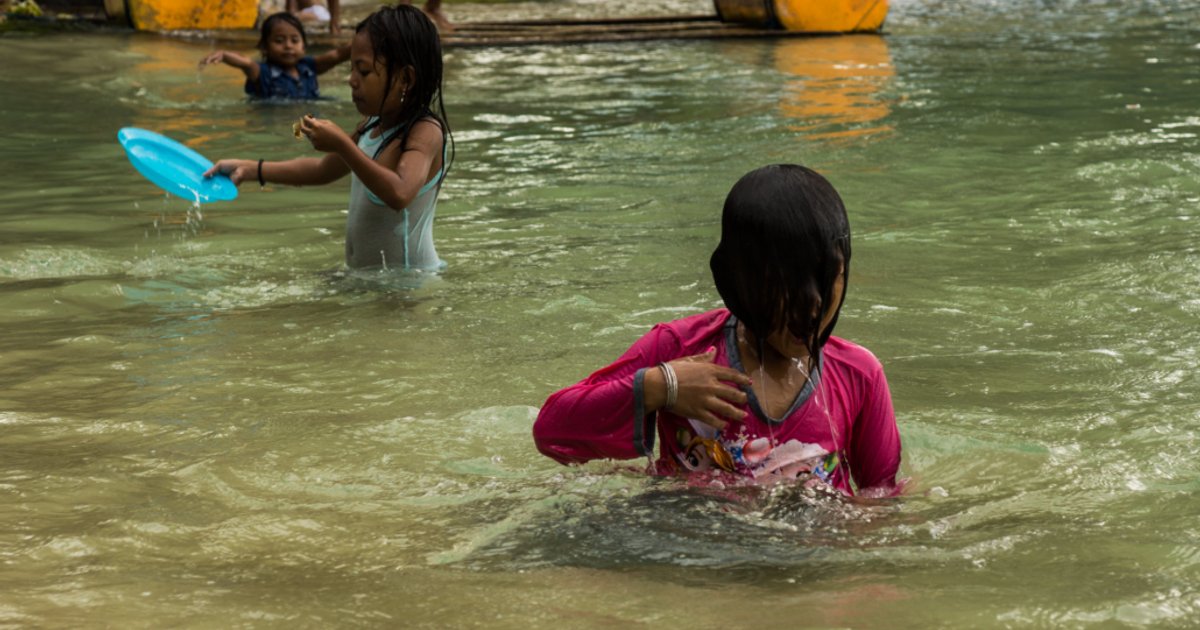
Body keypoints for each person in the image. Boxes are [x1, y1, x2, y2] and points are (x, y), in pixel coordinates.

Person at [532, 165, 903, 497]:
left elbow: (882, 498)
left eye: (830, 279)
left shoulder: (859, 375)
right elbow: (551, 433)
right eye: (786, 289)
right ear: (740, 281)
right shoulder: (680, 349)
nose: (812, 309)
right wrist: (661, 387)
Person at [203, 4, 453, 272]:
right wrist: (253, 168)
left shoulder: (425, 131)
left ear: (405, 78)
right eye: (352, 69)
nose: (351, 80)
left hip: (407, 289)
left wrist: (343, 145)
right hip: (364, 279)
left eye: (364, 71)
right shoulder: (371, 126)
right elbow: (322, 170)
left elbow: (400, 193)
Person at [198, 12, 349, 100]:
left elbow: (337, 55)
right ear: (264, 48)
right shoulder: (263, 73)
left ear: (304, 47)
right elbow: (245, 63)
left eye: (294, 40)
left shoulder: (309, 67)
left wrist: (364, 43)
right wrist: (224, 55)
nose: (288, 46)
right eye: (279, 41)